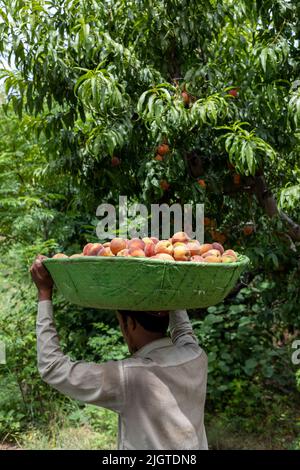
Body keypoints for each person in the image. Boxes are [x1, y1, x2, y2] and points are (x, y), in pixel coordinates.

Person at [30, 255, 208, 450]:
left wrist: (44, 292)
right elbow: (183, 330)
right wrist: (168, 291)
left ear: (128, 324)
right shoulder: (196, 356)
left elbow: (52, 367)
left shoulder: (130, 378)